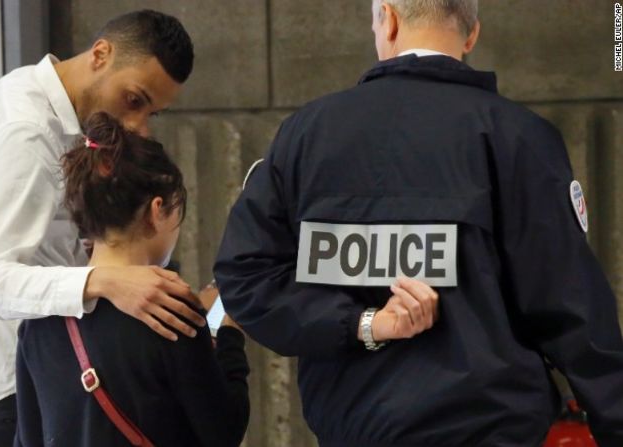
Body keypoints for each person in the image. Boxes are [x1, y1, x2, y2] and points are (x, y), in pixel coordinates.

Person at [213, 0, 623, 446]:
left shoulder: (307, 134)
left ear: (386, 19)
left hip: (352, 429)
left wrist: (361, 323)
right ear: (471, 35)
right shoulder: (519, 137)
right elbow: (572, 308)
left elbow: (244, 274)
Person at [0, 10, 206, 447]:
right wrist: (107, 280)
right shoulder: (25, 129)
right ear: (101, 54)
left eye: (152, 112)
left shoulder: (60, 117)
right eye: (134, 99)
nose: (137, 125)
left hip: (31, 379)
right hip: (2, 395)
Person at [15, 112, 250, 447]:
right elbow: (224, 431)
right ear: (157, 211)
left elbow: (28, 439)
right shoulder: (172, 311)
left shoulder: (40, 319)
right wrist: (230, 337)